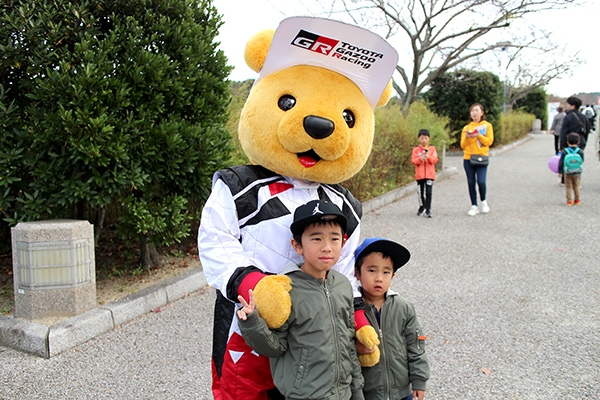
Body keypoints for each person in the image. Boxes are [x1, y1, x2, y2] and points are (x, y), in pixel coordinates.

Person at [237, 200, 365, 400]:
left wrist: (356, 389)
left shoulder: (342, 285)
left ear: (343, 242)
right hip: (304, 394)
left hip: (344, 393)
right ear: (297, 245)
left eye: (334, 239)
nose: (327, 247)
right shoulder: (286, 289)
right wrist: (252, 322)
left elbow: (348, 341)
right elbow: (274, 346)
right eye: (316, 239)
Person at [354, 238, 430, 400]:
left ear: (393, 275)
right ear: (357, 273)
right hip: (368, 392)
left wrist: (419, 380)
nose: (379, 278)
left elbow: (416, 346)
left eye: (386, 272)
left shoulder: (403, 308)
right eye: (372, 270)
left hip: (402, 391)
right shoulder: (351, 310)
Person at [460, 103, 494, 216]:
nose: (474, 113)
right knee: (471, 182)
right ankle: (474, 205)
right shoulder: (466, 128)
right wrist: (467, 137)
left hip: (481, 157)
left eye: (476, 110)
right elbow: (462, 145)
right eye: (472, 111)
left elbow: (489, 141)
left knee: (481, 181)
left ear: (482, 113)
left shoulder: (487, 126)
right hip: (468, 158)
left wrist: (478, 135)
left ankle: (483, 201)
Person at [411, 129, 439, 218]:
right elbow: (413, 160)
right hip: (420, 175)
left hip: (429, 175)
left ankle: (428, 209)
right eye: (422, 138)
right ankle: (422, 206)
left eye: (425, 138)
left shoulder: (432, 149)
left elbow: (435, 160)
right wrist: (420, 159)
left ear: (429, 139)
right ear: (419, 139)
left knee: (429, 192)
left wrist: (428, 157)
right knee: (420, 192)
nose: (424, 140)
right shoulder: (416, 150)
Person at [558, 132, 584, 206]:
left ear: (567, 142)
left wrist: (560, 172)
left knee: (568, 186)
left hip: (567, 171)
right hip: (577, 171)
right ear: (578, 142)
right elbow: (582, 161)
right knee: (576, 185)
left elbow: (561, 162)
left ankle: (569, 201)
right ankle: (577, 200)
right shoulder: (580, 151)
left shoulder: (565, 151)